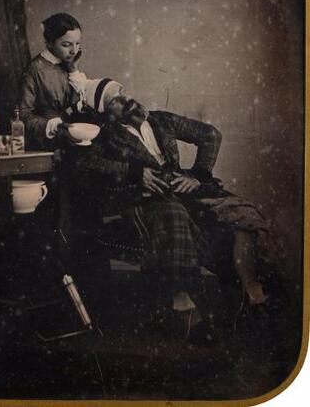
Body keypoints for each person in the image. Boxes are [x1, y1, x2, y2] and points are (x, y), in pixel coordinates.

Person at [68, 81, 280, 341]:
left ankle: (253, 295)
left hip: (185, 191)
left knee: (243, 215)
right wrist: (133, 173)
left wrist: (198, 175)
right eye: (115, 101)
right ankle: (184, 307)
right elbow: (84, 162)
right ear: (106, 113)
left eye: (122, 92)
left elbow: (210, 135)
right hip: (146, 199)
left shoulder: (160, 120)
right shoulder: (106, 135)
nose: (126, 100)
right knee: (173, 214)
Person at [19, 12, 86, 150]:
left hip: (69, 133)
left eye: (77, 43)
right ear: (50, 43)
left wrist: (74, 70)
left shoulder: (68, 64)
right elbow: (23, 114)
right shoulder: (35, 70)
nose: (74, 51)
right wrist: (54, 126)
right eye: (66, 44)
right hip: (44, 139)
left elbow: (80, 102)